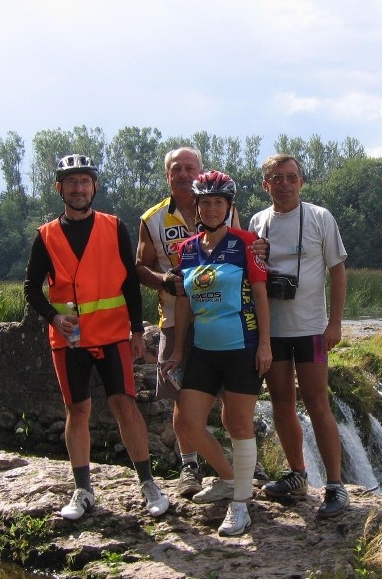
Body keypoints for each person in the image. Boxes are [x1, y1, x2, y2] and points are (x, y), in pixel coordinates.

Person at [24, 153, 169, 521]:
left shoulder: (113, 226)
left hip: (113, 335)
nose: (78, 188)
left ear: (94, 187)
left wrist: (137, 331)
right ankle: (83, 490)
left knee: (125, 405)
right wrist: (54, 318)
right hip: (70, 341)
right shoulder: (46, 235)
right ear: (60, 188)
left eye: (84, 181)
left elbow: (129, 281)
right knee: (78, 410)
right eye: (71, 182)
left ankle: (149, 483)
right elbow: (31, 288)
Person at [135, 147, 267, 497]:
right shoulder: (155, 220)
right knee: (184, 408)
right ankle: (192, 467)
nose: (182, 173)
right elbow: (140, 267)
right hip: (177, 321)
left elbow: (247, 264)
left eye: (189, 167)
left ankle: (243, 476)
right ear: (168, 175)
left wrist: (264, 340)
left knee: (233, 409)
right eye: (175, 169)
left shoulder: (230, 221)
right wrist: (164, 281)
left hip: (233, 327)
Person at [165, 170, 271, 536]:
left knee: (237, 424)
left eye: (219, 203)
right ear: (196, 206)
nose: (211, 208)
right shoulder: (187, 249)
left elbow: (260, 295)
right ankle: (229, 479)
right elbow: (183, 304)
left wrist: (266, 346)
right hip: (204, 350)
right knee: (186, 422)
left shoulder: (247, 243)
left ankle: (241, 505)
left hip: (243, 346)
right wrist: (178, 350)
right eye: (205, 202)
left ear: (229, 207)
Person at [247, 153, 350, 518]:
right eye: (277, 179)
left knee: (317, 403)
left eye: (292, 177)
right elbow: (252, 273)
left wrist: (334, 324)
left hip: (311, 330)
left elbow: (338, 274)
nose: (285, 184)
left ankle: (336, 486)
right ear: (266, 185)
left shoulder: (321, 217)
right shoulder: (258, 222)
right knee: (281, 404)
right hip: (272, 331)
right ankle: (297, 473)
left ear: (301, 182)